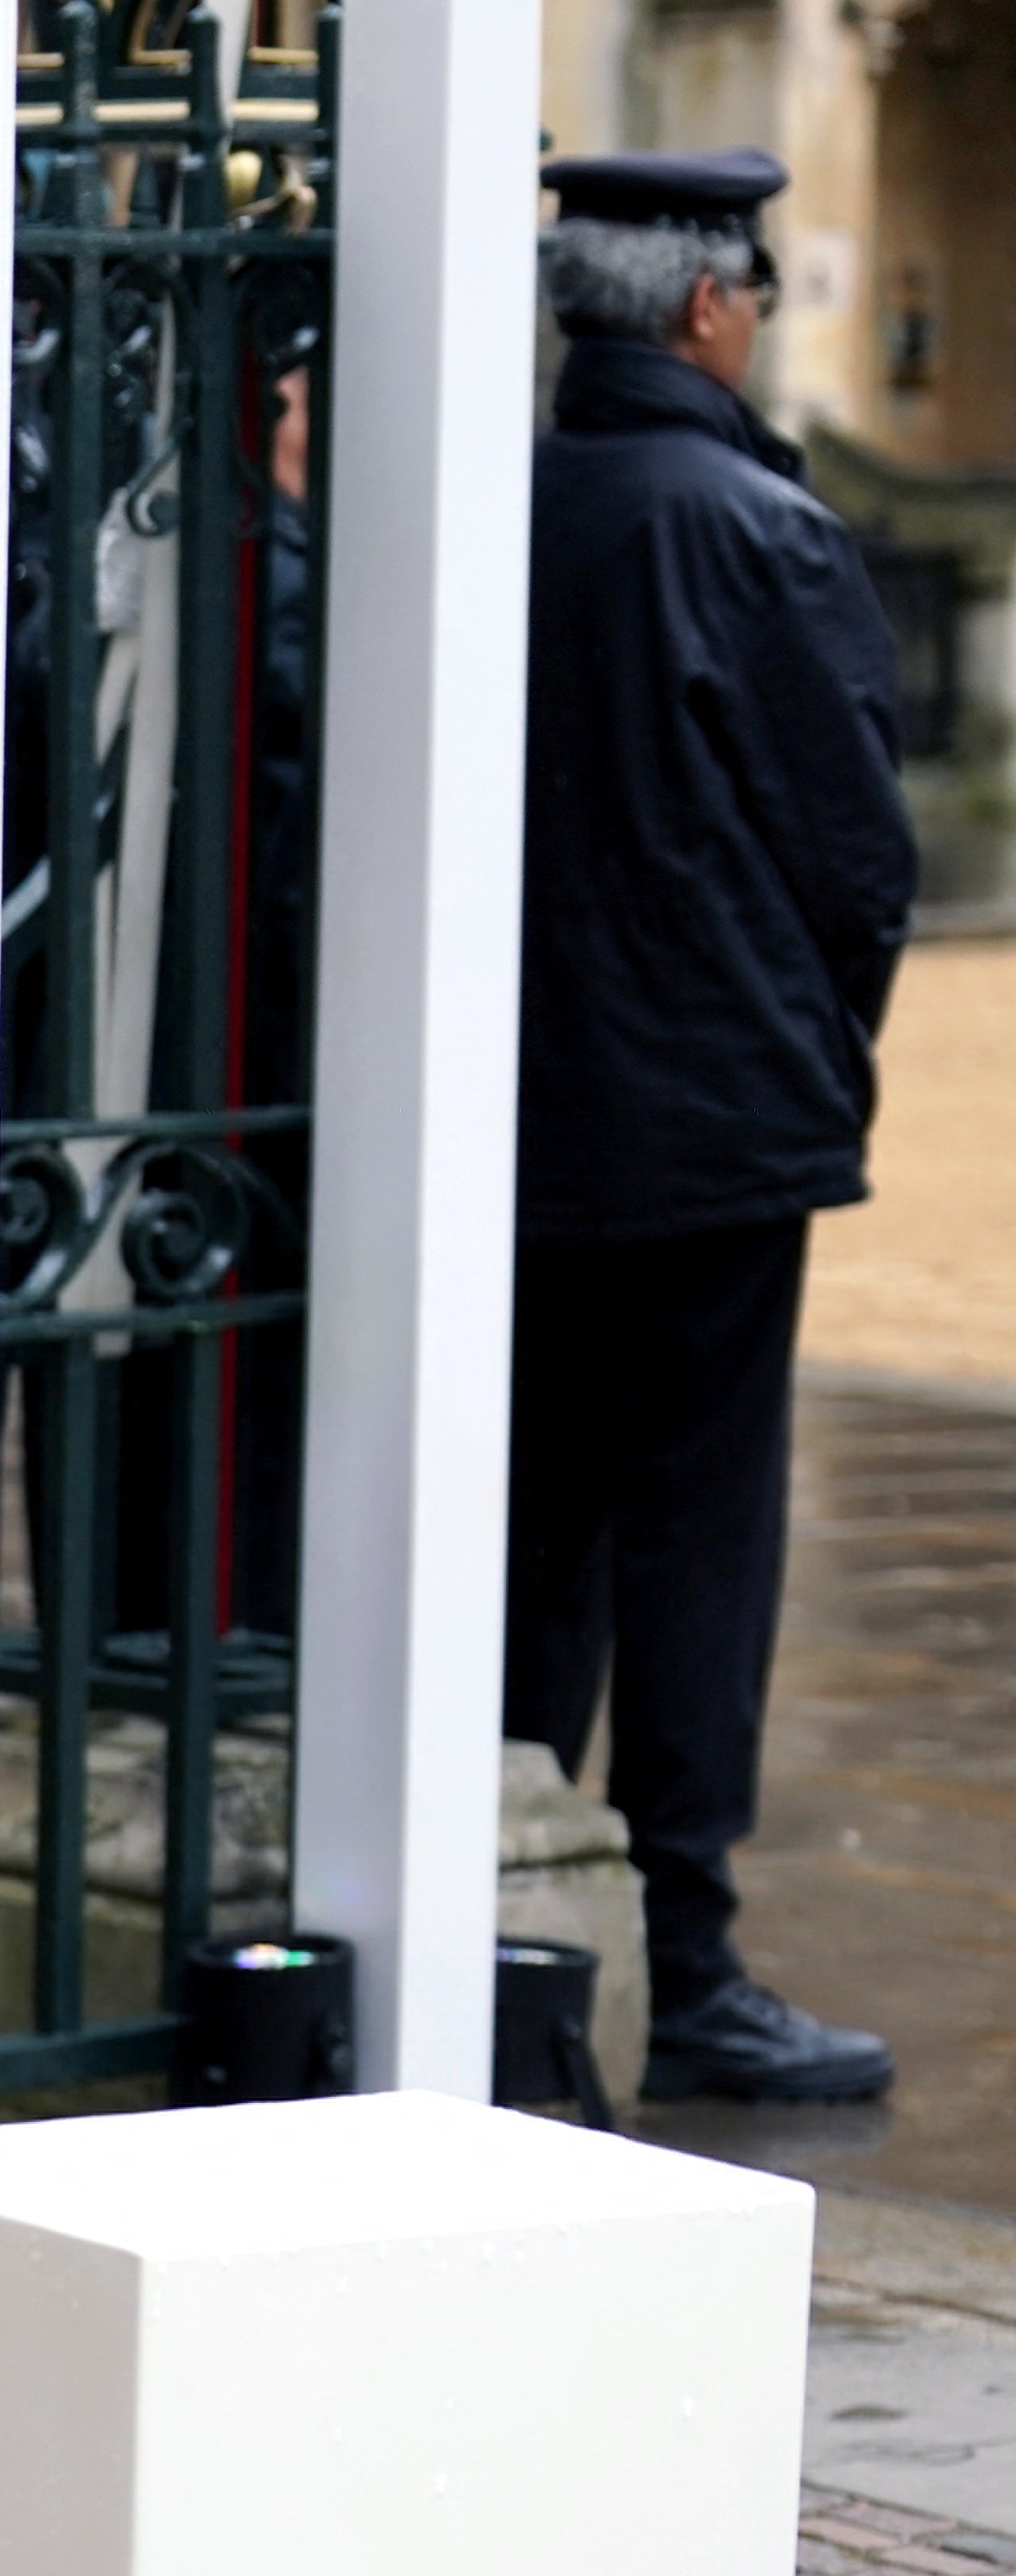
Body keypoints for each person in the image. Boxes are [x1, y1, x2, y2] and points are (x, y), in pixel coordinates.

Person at [512, 145, 919, 2105]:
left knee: (536, 1536)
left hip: (521, 1121)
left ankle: (511, 1933)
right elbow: (860, 858)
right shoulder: (757, 526)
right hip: (709, 1128)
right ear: (704, 306)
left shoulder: (500, 505)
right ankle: (691, 1961)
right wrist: (816, 1051)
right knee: (694, 1545)